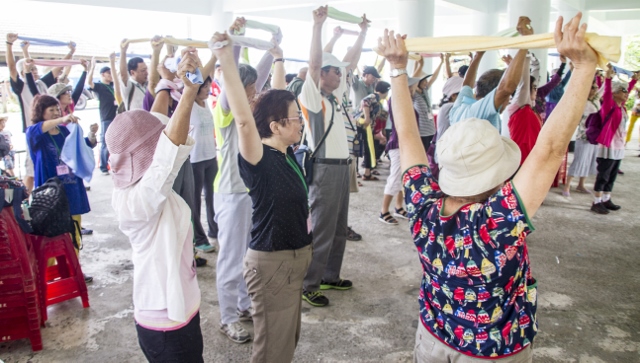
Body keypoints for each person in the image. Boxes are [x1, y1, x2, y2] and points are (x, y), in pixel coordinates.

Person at [379, 12, 597, 361]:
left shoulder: (423, 204)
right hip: (491, 352)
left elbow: (406, 136)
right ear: (496, 175)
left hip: (433, 336)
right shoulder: (496, 221)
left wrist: (397, 69)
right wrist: (584, 68)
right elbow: (549, 151)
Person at [212, 30, 312, 363]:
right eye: (295, 119)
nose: (300, 123)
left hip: (294, 260)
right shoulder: (259, 158)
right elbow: (243, 120)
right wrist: (226, 55)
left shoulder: (287, 151)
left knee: (288, 340)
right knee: (272, 349)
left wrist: (278, 56)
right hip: (273, 264)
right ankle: (230, 313)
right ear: (275, 126)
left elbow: (280, 95)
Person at [107, 50, 204, 363]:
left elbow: (161, 122)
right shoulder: (136, 199)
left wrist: (168, 79)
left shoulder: (142, 183)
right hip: (164, 323)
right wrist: (189, 92)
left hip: (183, 311)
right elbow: (168, 152)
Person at [213, 17, 282, 343]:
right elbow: (233, 75)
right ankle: (227, 317)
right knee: (230, 257)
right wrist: (235, 41)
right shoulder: (226, 106)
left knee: (248, 253)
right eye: (251, 88)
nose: (257, 91)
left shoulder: (249, 106)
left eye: (256, 87)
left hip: (249, 192)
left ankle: (242, 304)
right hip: (231, 192)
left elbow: (260, 73)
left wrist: (273, 46)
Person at [298, 6, 368, 307]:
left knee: (339, 226)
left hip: (341, 168)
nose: (340, 74)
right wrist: (318, 27)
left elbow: (350, 60)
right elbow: (313, 64)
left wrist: (363, 33)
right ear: (321, 74)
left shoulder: (335, 95)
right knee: (323, 227)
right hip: (325, 169)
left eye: (340, 71)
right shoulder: (312, 97)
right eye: (334, 71)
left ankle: (329, 274)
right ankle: (309, 283)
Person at [26, 95, 96, 283]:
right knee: (51, 235)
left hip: (72, 190)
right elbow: (38, 129)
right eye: (51, 110)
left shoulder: (65, 132)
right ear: (41, 112)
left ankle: (73, 270)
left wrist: (91, 135)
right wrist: (62, 119)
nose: (57, 112)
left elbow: (82, 147)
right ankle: (45, 276)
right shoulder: (35, 133)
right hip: (51, 196)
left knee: (74, 232)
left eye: (58, 109)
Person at [6, 33, 73, 193]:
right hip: (35, 133)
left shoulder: (42, 84)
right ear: (23, 73)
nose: (34, 71)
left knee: (51, 167)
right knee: (31, 171)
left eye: (36, 68)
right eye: (31, 69)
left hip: (52, 131)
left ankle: (52, 198)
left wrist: (70, 52)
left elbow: (57, 69)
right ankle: (23, 204)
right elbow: (12, 67)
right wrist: (9, 44)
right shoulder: (20, 87)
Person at [449, 17, 533, 133]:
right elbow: (506, 88)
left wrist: (478, 55)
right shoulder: (479, 111)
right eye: (507, 97)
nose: (508, 100)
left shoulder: (461, 105)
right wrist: (525, 42)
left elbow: (467, 83)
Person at [590, 64, 637, 214]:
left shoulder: (620, 107)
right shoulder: (609, 106)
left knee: (611, 176)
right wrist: (608, 78)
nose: (626, 94)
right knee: (603, 175)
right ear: (615, 93)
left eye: (625, 91)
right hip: (608, 147)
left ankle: (606, 198)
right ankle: (596, 202)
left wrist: (633, 82)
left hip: (618, 147)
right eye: (622, 91)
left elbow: (626, 92)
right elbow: (608, 92)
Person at [378, 77, 420, 226]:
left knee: (403, 177)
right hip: (398, 144)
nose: (414, 90)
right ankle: (384, 211)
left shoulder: (406, 101)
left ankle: (398, 206)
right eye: (412, 88)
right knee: (395, 177)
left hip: (405, 144)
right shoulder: (397, 100)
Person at [190, 75, 220, 242]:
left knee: (212, 196)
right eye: (205, 86)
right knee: (195, 201)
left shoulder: (206, 103)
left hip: (210, 156)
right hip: (195, 158)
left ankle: (214, 230)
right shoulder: (189, 105)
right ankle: (199, 237)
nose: (208, 89)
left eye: (209, 86)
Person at [563, 80, 601, 196]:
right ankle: (567, 186)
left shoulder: (596, 101)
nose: (594, 90)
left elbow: (604, 90)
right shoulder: (581, 102)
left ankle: (581, 184)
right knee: (579, 160)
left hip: (594, 137)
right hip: (583, 135)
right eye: (592, 87)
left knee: (589, 161)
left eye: (595, 88)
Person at [88, 55, 119, 175]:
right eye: (108, 73)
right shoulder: (99, 86)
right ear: (102, 75)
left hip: (117, 116)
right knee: (105, 143)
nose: (110, 75)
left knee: (117, 142)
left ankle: (115, 165)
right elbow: (89, 82)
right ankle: (103, 166)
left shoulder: (113, 86)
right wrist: (92, 67)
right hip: (106, 118)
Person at [358, 81, 390, 181]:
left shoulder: (379, 101)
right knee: (367, 149)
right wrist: (367, 117)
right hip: (363, 125)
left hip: (369, 128)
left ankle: (368, 172)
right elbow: (365, 102)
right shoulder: (373, 97)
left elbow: (381, 115)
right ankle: (366, 173)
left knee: (370, 148)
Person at [413, 55, 444, 153]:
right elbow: (412, 79)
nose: (426, 82)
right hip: (422, 131)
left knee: (431, 153)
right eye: (424, 80)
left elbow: (434, 77)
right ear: (418, 82)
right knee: (423, 153)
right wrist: (418, 64)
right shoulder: (414, 94)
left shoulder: (425, 91)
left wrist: (441, 62)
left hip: (431, 129)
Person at [119, 40, 149, 111]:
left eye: (146, 69)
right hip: (136, 121)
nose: (146, 73)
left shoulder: (148, 85)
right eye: (142, 71)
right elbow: (123, 74)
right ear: (132, 72)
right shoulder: (129, 86)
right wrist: (123, 51)